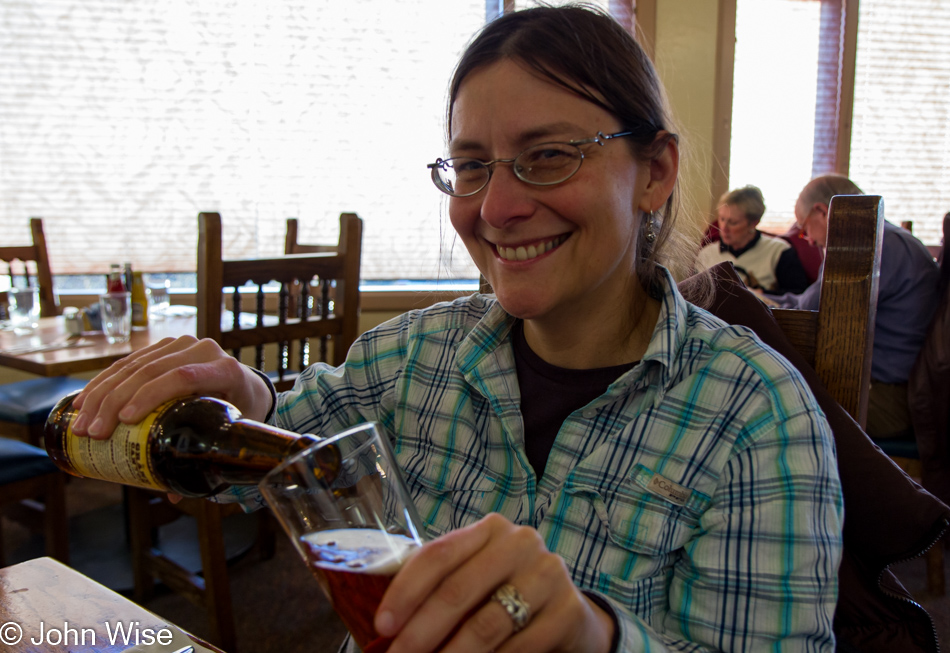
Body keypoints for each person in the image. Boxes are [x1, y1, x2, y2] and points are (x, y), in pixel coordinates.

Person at [70, 7, 843, 652]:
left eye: (547, 156)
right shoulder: (413, 355)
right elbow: (285, 452)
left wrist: (592, 634)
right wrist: (244, 396)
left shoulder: (756, 417)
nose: (496, 208)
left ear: (655, 172)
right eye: (472, 166)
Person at [772, 174, 940, 440]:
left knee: (778, 408)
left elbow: (816, 307)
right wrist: (771, 299)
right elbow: (812, 298)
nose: (810, 241)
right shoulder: (891, 237)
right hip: (905, 390)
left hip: (891, 400)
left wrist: (763, 300)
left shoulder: (866, 243)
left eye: (805, 229)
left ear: (822, 212)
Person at [695, 185, 811, 294]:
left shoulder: (779, 251)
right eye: (722, 219)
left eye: (733, 222)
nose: (723, 228)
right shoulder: (707, 254)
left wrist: (763, 294)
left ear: (753, 223)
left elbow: (797, 297)